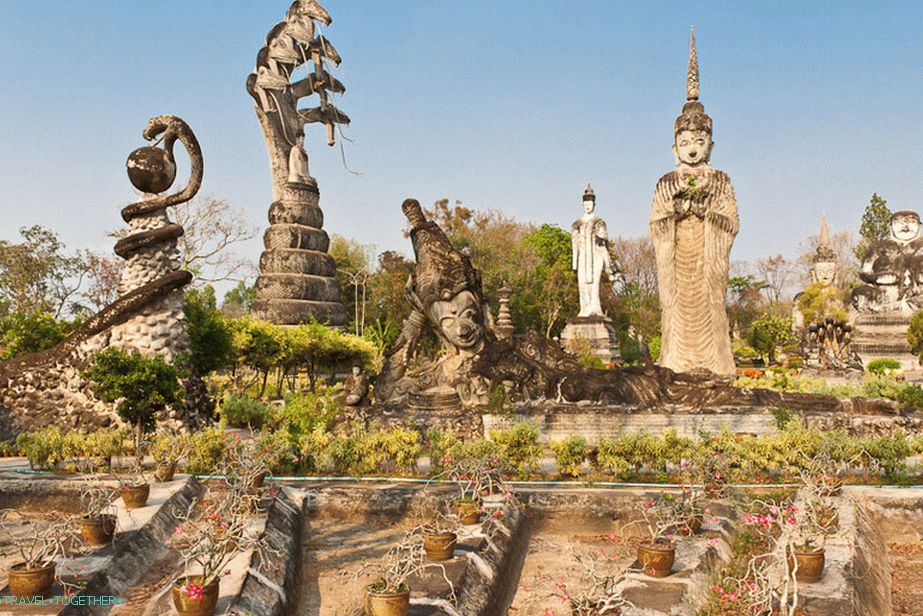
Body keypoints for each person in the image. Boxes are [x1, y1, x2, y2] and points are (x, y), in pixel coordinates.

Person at [571, 184, 615, 317]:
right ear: (582, 204)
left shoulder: (599, 223)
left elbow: (603, 243)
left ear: (594, 204)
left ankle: (595, 309)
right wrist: (574, 263)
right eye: (585, 203)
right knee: (582, 284)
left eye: (590, 203)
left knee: (594, 284)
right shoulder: (576, 224)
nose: (587, 205)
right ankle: (584, 309)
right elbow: (574, 244)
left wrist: (608, 265)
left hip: (596, 256)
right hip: (583, 257)